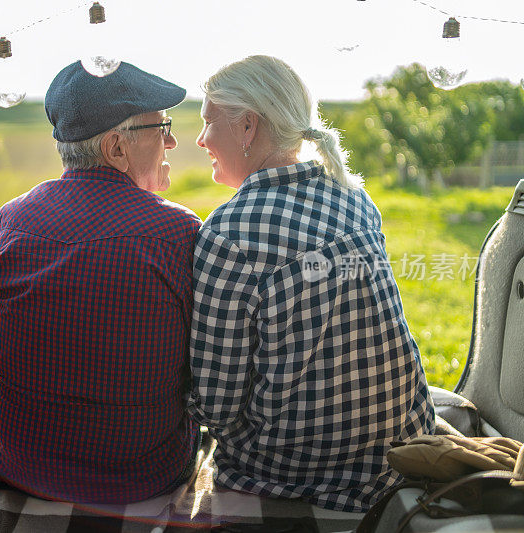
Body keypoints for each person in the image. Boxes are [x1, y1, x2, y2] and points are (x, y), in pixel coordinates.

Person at [186, 55, 436, 512]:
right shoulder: (355, 197)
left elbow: (215, 406)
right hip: (402, 444)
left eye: (208, 123)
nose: (201, 139)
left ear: (247, 127)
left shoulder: (228, 233)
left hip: (299, 470)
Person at [0, 61, 201, 504]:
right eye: (162, 128)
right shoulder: (175, 233)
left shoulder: (13, 217)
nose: (171, 141)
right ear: (116, 147)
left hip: (23, 465)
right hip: (139, 478)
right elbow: (203, 366)